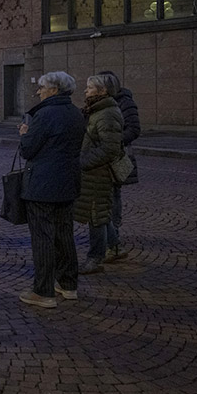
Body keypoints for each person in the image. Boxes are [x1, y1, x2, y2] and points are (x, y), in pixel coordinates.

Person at [17, 72, 85, 308]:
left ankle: (43, 291)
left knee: (43, 237)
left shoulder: (44, 115)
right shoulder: (76, 113)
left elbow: (28, 150)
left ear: (54, 90)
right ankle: (68, 285)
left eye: (43, 87)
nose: (39, 91)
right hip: (68, 183)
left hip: (43, 185)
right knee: (64, 235)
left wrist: (25, 134)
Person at [73, 74, 124, 275]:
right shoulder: (96, 110)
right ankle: (115, 246)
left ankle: (95, 258)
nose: (85, 91)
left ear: (102, 91)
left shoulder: (107, 113)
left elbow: (110, 148)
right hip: (93, 172)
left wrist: (83, 161)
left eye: (89, 88)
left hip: (98, 173)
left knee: (96, 215)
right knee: (100, 212)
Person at [98, 70, 140, 263]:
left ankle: (114, 232)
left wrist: (113, 141)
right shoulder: (98, 104)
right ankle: (110, 236)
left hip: (117, 156)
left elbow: (133, 129)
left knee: (114, 194)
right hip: (101, 155)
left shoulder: (125, 102)